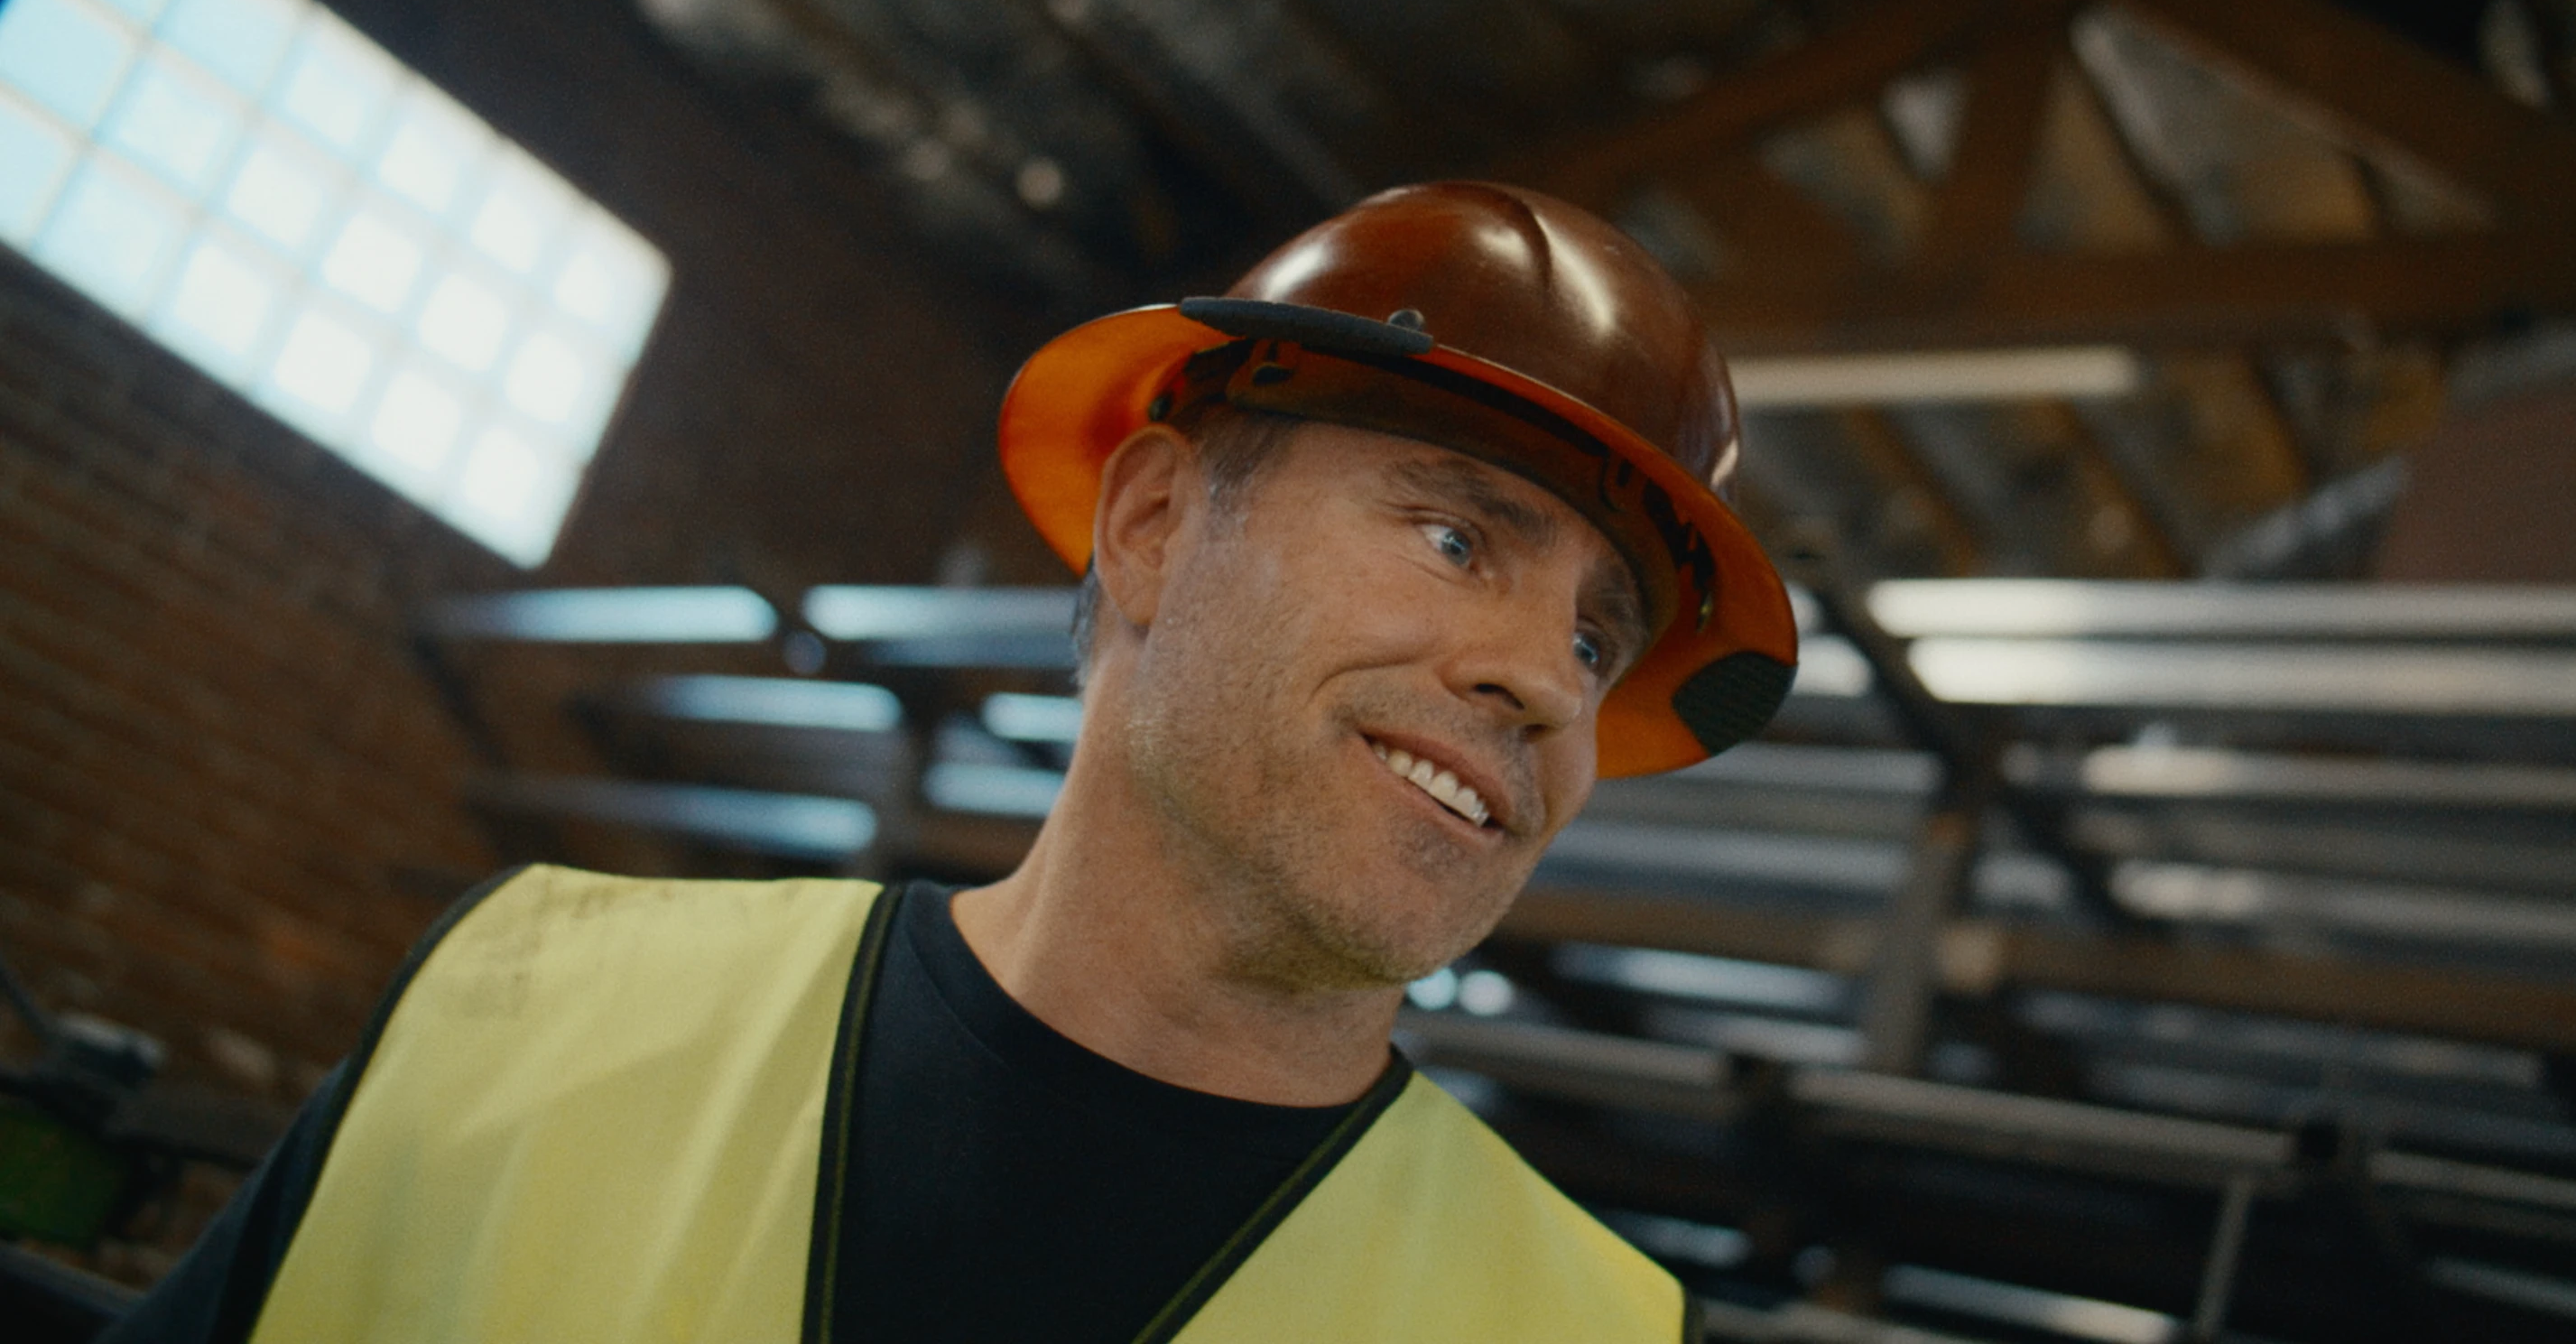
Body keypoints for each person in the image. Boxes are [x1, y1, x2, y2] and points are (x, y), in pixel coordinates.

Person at [106, 181, 1798, 1343]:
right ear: (1148, 528)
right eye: (1451, 534)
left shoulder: (1587, 1328)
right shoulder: (522, 1005)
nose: (1542, 683)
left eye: (1597, 638)